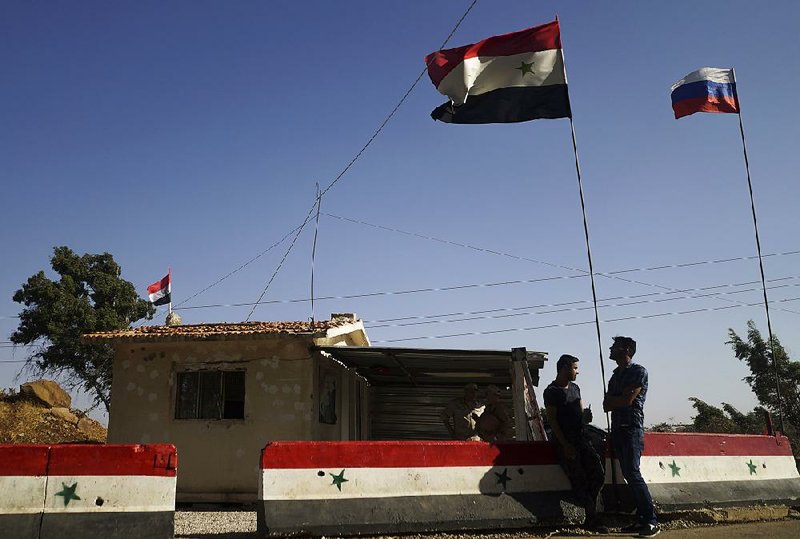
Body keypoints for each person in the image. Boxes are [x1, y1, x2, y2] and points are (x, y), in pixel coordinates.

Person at [543, 354, 608, 534]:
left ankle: (591, 514)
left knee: (598, 474)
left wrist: (585, 418)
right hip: (566, 441)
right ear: (564, 368)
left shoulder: (576, 388)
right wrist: (565, 445)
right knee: (579, 479)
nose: (577, 372)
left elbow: (580, 416)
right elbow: (553, 422)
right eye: (574, 368)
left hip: (581, 439)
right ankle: (591, 518)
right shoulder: (551, 391)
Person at [603, 336, 659, 537]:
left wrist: (617, 400)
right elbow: (606, 405)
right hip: (618, 428)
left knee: (633, 474)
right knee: (629, 474)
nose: (610, 349)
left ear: (626, 349)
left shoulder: (638, 371)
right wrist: (619, 400)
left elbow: (627, 400)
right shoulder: (614, 376)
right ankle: (642, 519)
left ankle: (651, 520)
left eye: (615, 346)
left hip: (632, 428)